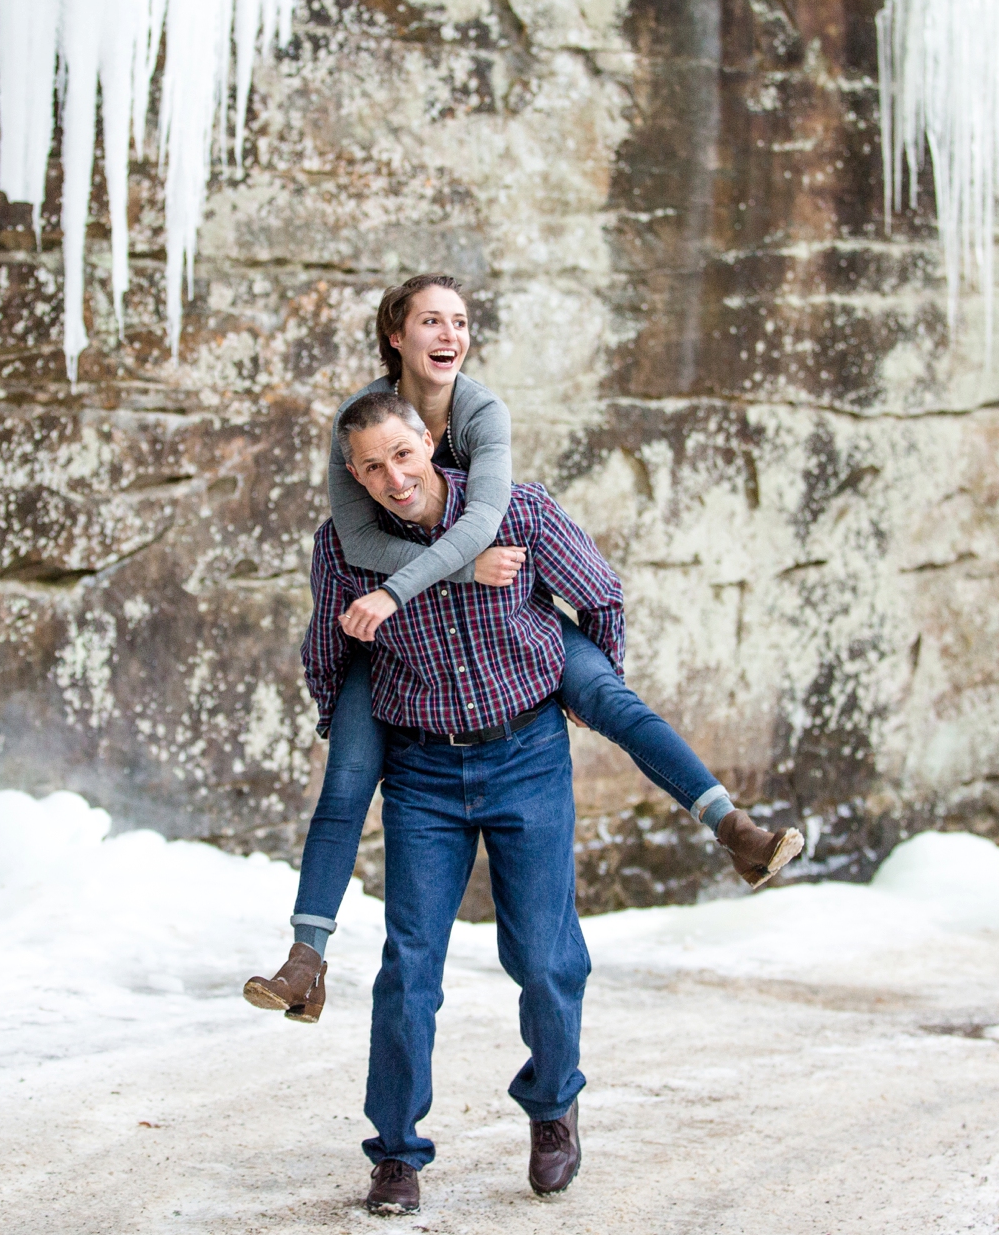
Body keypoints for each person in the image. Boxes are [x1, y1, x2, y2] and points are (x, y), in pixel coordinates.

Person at [244, 274, 801, 1027]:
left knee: (610, 699)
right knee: (345, 779)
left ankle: (733, 828)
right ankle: (305, 958)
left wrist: (571, 675)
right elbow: (359, 541)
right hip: (399, 630)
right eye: (431, 321)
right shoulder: (364, 424)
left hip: (505, 619)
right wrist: (358, 677)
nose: (450, 334)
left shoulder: (480, 412)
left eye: (461, 321)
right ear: (395, 337)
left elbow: (490, 521)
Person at [297, 390, 627, 1211]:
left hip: (527, 757)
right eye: (370, 466)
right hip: (424, 776)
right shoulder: (344, 547)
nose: (392, 477)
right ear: (353, 476)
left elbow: (603, 595)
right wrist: (346, 717)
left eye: (402, 455)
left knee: (547, 958)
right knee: (409, 967)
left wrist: (589, 692)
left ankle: (553, 1107)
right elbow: (323, 653)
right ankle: (396, 1154)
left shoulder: (519, 511)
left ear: (431, 445)